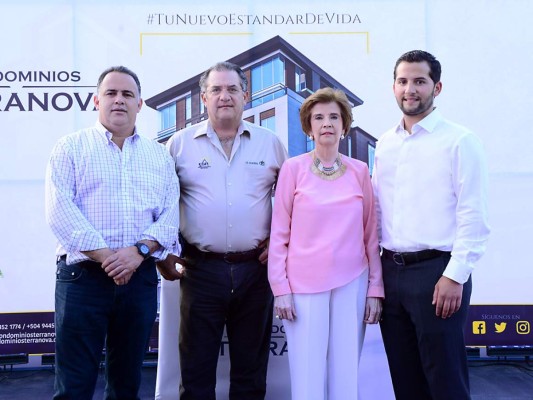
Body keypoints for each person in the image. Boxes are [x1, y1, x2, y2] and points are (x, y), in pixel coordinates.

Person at [45, 66, 181, 400]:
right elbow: (59, 211)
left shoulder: (159, 156)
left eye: (127, 94)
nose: (119, 100)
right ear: (96, 100)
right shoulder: (70, 148)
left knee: (126, 382)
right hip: (82, 280)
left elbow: (170, 215)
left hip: (140, 279)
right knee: (74, 383)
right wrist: (110, 259)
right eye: (111, 93)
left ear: (140, 104)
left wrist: (138, 253)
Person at [156, 61, 288, 400]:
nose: (224, 96)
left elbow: (292, 203)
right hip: (200, 271)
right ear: (203, 98)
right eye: (216, 89)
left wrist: (279, 241)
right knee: (196, 375)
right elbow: (162, 203)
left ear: (246, 95)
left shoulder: (269, 143)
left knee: (250, 375)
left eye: (232, 89)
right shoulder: (179, 145)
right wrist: (162, 252)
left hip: (255, 272)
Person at [372, 50, 490, 400]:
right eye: (403, 81)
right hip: (391, 272)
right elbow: (377, 211)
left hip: (438, 274)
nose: (410, 89)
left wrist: (455, 276)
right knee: (405, 381)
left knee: (445, 381)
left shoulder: (459, 141)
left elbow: (474, 215)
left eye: (419, 81)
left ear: (436, 88)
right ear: (393, 87)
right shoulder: (385, 143)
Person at [268, 87, 384, 400]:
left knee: (346, 372)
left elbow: (370, 235)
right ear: (308, 127)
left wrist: (375, 289)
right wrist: (280, 289)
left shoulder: (360, 172)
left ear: (345, 126)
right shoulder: (292, 169)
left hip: (352, 281)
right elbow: (279, 234)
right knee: (307, 373)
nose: (326, 123)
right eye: (318, 117)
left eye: (334, 116)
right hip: (302, 284)